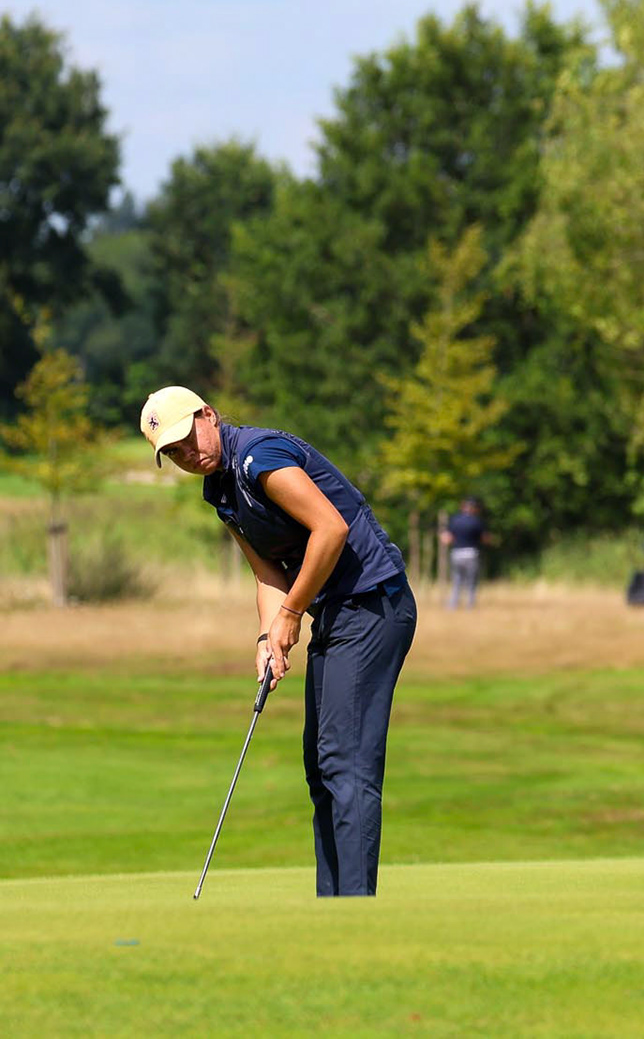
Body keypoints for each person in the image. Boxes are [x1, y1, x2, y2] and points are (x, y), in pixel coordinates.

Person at [141, 385, 415, 898]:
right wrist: (270, 636)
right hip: (337, 614)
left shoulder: (258, 457)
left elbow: (329, 530)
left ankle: (355, 911)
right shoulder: (220, 493)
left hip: (375, 604)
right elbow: (268, 574)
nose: (188, 454)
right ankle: (330, 904)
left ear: (209, 415)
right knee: (320, 766)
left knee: (345, 762)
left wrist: (292, 614)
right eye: (174, 452)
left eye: (187, 437)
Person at [440, 498, 493, 609]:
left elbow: (446, 538)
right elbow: (485, 539)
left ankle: (452, 605)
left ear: (463, 507)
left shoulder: (455, 520)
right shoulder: (477, 521)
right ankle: (470, 605)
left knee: (456, 580)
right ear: (474, 508)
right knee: (471, 581)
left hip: (456, 553)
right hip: (471, 553)